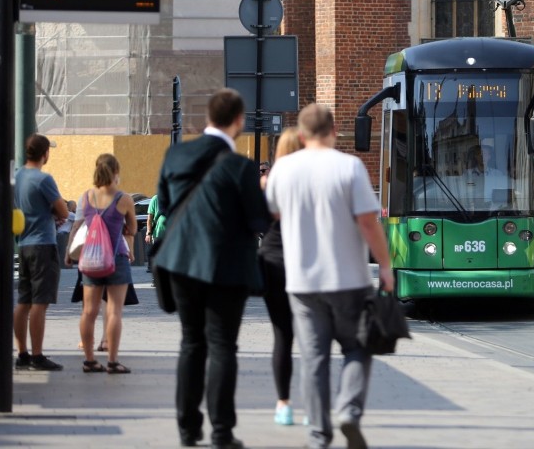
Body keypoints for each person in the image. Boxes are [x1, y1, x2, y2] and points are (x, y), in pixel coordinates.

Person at [265, 103, 394, 449]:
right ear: (334, 131)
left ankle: (318, 436)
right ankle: (349, 411)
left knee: (314, 357)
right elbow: (368, 221)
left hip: (302, 282)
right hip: (347, 278)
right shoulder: (349, 167)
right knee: (356, 347)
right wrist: (384, 265)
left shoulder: (283, 169)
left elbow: (275, 211)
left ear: (303, 135)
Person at [154, 88, 269, 449]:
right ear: (239, 120)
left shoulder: (176, 154)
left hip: (181, 263)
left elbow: (167, 204)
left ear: (208, 117)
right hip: (225, 267)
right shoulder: (240, 166)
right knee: (222, 347)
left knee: (191, 343)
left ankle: (188, 430)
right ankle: (221, 433)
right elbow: (258, 220)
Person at [65, 153, 137, 374]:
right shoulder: (123, 199)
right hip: (116, 259)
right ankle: (113, 362)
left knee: (89, 311)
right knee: (114, 311)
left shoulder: (86, 198)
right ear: (116, 172)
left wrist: (69, 252)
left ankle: (89, 360)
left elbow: (78, 226)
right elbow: (132, 229)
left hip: (91, 259)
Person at [258, 128, 303, 426]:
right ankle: (313, 404)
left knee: (282, 336)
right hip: (306, 261)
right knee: (313, 337)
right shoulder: (312, 179)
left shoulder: (269, 182)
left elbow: (260, 220)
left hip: (273, 259)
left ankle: (283, 404)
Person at [14, 133, 69, 371]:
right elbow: (64, 210)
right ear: (45, 153)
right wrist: (55, 212)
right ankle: (37, 356)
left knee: (23, 301)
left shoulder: (16, 176)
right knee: (40, 302)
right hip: (43, 245)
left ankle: (22, 353)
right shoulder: (43, 179)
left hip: (24, 244)